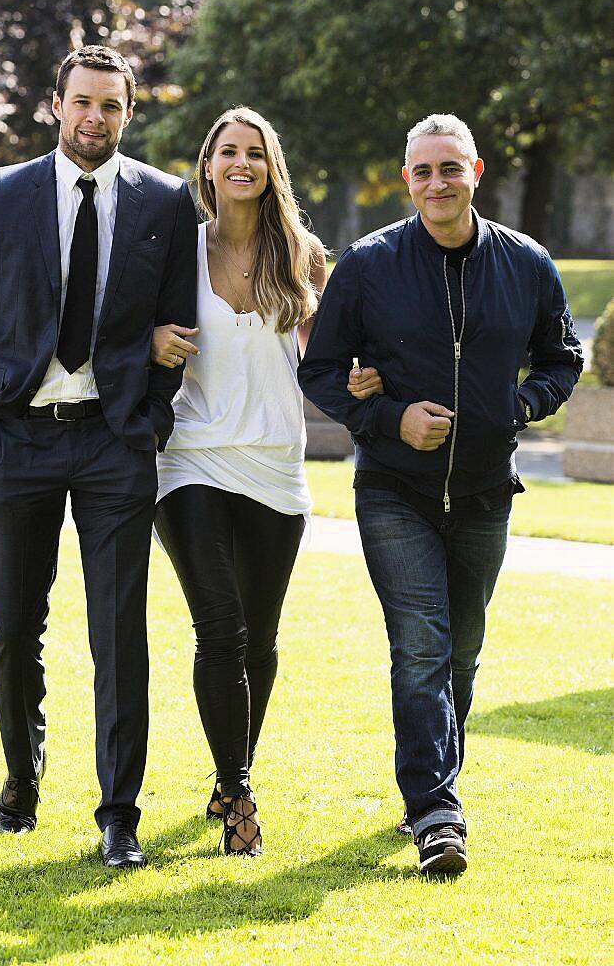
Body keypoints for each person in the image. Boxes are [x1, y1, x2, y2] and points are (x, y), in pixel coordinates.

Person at [298, 113, 583, 875]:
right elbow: (321, 369)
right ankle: (434, 813)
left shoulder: (525, 262)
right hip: (394, 488)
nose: (436, 183)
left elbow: (561, 357)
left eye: (449, 168)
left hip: (488, 492)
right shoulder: (369, 263)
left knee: (460, 653)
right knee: (419, 646)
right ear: (406, 181)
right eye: (421, 171)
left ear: (476, 172)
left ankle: (432, 787)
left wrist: (516, 407)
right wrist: (388, 416)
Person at [0, 45, 197, 869]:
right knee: (14, 626)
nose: (96, 117)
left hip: (113, 440)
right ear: (55, 104)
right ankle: (22, 776)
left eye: (113, 106)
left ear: (131, 113)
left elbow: (175, 328)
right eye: (83, 102)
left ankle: (118, 815)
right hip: (16, 438)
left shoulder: (163, 202)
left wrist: (150, 421)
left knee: (119, 636)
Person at [150, 107, 380, 855]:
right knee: (220, 626)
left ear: (269, 167)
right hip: (190, 458)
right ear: (207, 165)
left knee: (260, 640)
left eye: (254, 152)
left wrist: (358, 377)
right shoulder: (173, 252)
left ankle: (225, 777)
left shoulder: (304, 255)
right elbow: (126, 330)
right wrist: (152, 340)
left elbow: (320, 362)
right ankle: (240, 788)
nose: (240, 163)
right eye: (227, 151)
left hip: (276, 467)